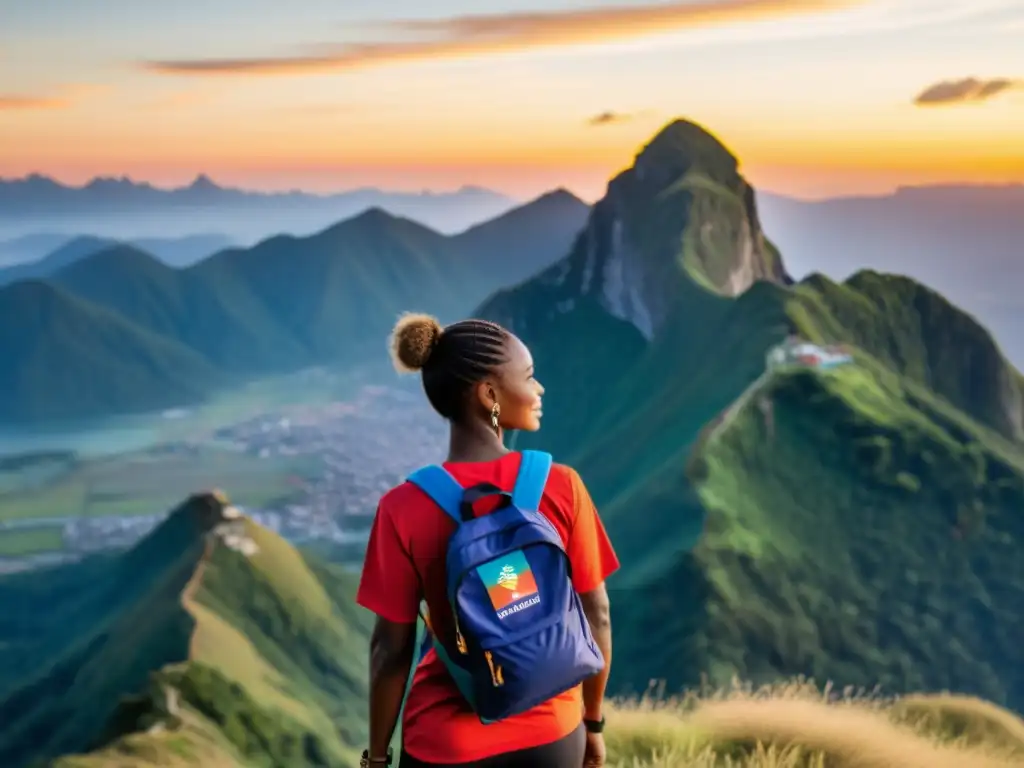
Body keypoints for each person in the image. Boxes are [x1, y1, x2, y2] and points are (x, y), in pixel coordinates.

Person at [356, 313, 620, 768]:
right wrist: (591, 725)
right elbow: (596, 615)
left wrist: (376, 758)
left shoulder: (402, 507)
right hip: (551, 737)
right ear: (490, 394)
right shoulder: (561, 486)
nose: (539, 390)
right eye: (530, 377)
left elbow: (390, 652)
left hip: (444, 744)